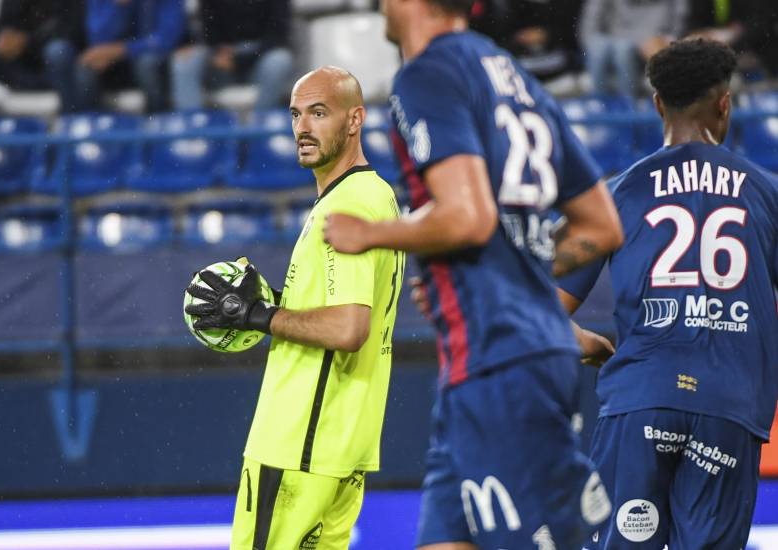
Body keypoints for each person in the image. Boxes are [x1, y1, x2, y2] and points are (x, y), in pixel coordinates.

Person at [323, 0, 624, 548]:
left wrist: (373, 233)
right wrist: (520, 274)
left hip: (500, 363)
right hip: (485, 365)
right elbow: (600, 225)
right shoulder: (518, 80)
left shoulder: (427, 74)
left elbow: (467, 216)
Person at [558, 38, 778, 549]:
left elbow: (540, 308)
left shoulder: (617, 193)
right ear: (725, 104)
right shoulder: (765, 192)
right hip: (728, 405)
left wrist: (588, 343)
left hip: (641, 398)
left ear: (657, 103)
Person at [184, 67, 404, 549]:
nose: (303, 127)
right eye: (296, 114)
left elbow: (350, 327)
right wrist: (278, 305)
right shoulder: (378, 195)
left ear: (355, 120)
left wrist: (256, 316)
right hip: (345, 447)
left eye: (319, 113)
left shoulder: (344, 207)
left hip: (297, 445)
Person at [169, 0, 293, 111]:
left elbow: (278, 36)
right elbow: (208, 32)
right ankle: (193, 131)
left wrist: (238, 59)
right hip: (220, 62)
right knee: (185, 61)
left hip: (259, 60)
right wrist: (218, 53)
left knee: (280, 60)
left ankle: (258, 125)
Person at [0, 0, 85, 116]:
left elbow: (72, 32)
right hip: (18, 67)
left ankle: (70, 120)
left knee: (58, 52)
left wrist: (27, 43)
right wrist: (3, 41)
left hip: (53, 70)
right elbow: (2, 27)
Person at [73, 0, 185, 113]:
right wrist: (117, 8)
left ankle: (158, 120)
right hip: (115, 61)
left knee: (146, 64)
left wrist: (122, 50)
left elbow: (165, 40)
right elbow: (97, 39)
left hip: (152, 57)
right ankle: (93, 123)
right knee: (87, 64)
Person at [579, 0, 688, 97]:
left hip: (653, 42)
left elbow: (679, 26)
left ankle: (630, 106)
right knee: (599, 48)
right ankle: (599, 104)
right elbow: (589, 27)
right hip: (613, 41)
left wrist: (663, 42)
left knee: (623, 51)